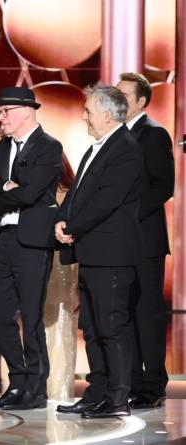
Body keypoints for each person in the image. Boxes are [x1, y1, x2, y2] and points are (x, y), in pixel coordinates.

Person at [55, 84, 142, 418]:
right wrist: (60, 221)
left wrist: (72, 226)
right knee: (92, 328)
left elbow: (106, 201)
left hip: (112, 256)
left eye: (88, 110)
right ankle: (98, 392)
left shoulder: (125, 148)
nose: (84, 116)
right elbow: (76, 192)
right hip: (92, 254)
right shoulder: (97, 148)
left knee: (111, 326)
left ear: (107, 114)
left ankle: (117, 398)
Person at [0, 87, 63, 410]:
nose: (0, 116)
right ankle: (18, 381)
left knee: (31, 314)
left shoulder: (49, 147)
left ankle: (36, 388)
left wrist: (4, 192)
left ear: (26, 111)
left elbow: (30, 194)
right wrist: (3, 186)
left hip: (33, 241)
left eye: (6, 110)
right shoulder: (1, 147)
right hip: (5, 239)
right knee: (0, 314)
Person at [117, 72, 174, 409]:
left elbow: (163, 186)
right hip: (120, 240)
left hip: (146, 239)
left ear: (140, 101)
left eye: (125, 94)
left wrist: (127, 213)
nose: (119, 98)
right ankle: (134, 382)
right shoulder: (114, 135)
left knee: (147, 313)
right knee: (124, 312)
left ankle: (153, 385)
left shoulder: (153, 134)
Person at [43, 154, 79, 402]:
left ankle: (59, 390)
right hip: (43, 264)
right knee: (42, 326)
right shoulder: (36, 192)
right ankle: (46, 388)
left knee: (62, 326)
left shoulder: (69, 194)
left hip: (65, 265)